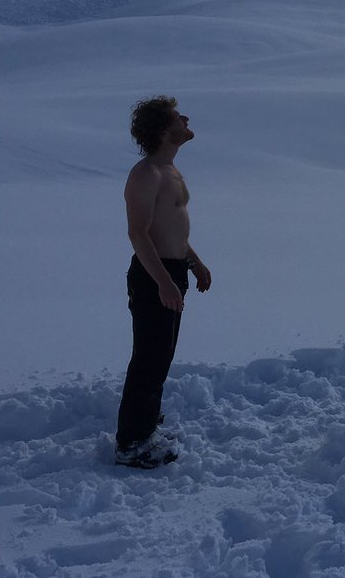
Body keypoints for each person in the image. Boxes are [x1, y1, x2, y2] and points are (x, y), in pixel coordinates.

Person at [115, 96, 212, 469]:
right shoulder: (146, 175)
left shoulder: (169, 171)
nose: (185, 118)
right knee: (149, 359)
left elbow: (172, 232)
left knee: (161, 356)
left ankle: (145, 425)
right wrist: (163, 283)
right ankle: (131, 443)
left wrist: (195, 263)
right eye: (176, 116)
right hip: (153, 275)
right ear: (161, 129)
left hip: (171, 273)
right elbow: (139, 235)